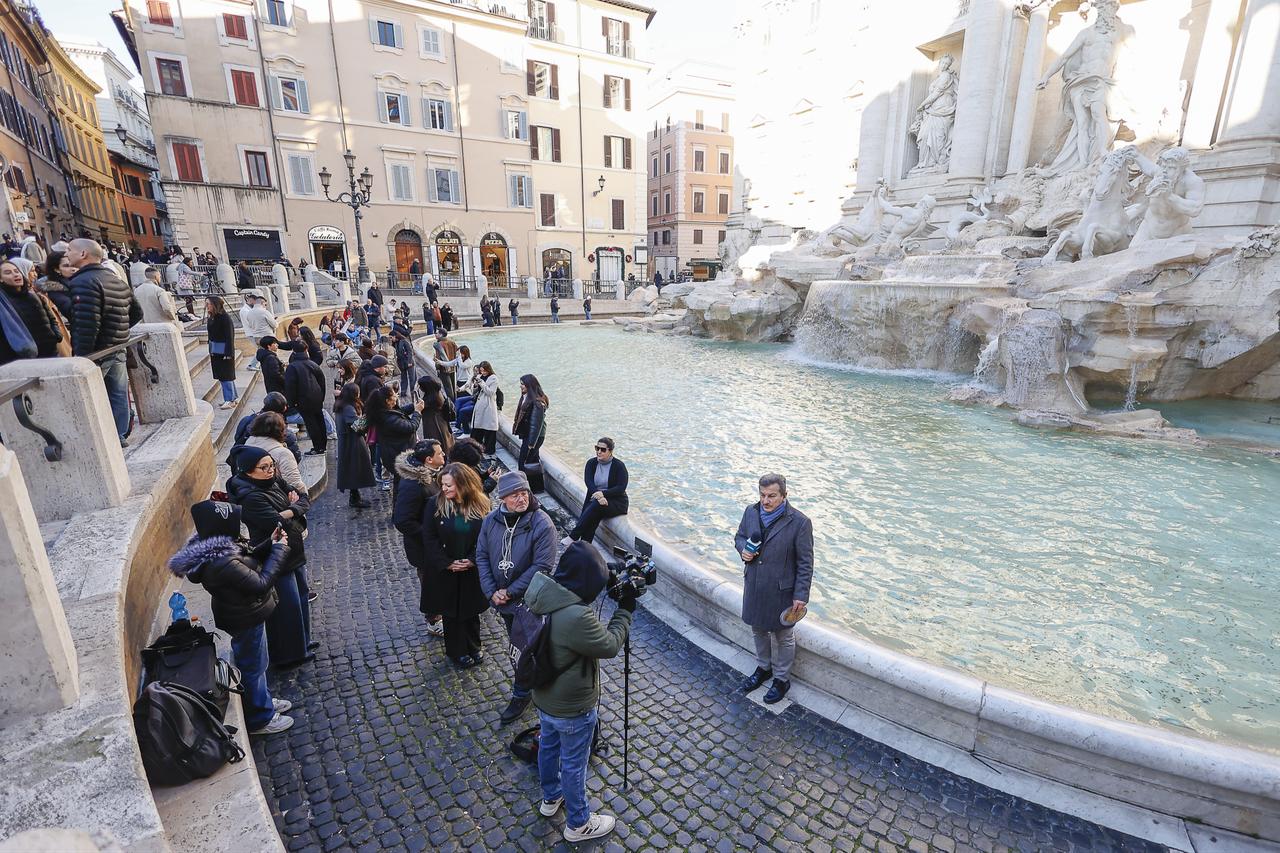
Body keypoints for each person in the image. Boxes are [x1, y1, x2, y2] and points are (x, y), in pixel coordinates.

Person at [525, 542, 634, 842]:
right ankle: (579, 824)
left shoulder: (543, 589)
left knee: (548, 748)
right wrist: (625, 610)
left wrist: (608, 573)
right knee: (574, 765)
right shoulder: (576, 617)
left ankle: (551, 798)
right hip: (572, 707)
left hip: (544, 696)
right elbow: (609, 645)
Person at [167, 500, 296, 735]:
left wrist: (270, 543)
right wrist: (279, 550)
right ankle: (260, 718)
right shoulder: (222, 562)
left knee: (257, 662)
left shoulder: (219, 550)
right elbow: (261, 583)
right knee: (253, 666)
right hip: (245, 616)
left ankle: (263, 700)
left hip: (242, 612)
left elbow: (247, 561)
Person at [475, 470, 557, 724]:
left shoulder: (542, 523)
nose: (521, 499)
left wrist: (509, 592)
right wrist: (491, 591)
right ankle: (534, 684)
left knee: (525, 647)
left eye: (524, 493)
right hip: (503, 602)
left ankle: (523, 693)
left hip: (530, 602)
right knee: (517, 644)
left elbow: (542, 566)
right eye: (514, 495)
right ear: (502, 499)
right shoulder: (491, 521)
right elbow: (481, 555)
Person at [226, 444, 313, 668]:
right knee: (288, 606)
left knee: (301, 597)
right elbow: (276, 521)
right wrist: (294, 508)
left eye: (271, 465)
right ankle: (289, 654)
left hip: (293, 548)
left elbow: (304, 498)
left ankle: (303, 643)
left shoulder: (273, 480)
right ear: (248, 471)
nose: (270, 470)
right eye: (263, 467)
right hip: (274, 553)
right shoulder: (250, 498)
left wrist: (292, 509)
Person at [734, 473, 814, 705]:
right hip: (754, 584)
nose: (765, 501)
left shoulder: (800, 522)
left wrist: (801, 595)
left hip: (782, 591)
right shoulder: (750, 512)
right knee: (758, 630)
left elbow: (805, 563)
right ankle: (764, 668)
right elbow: (739, 537)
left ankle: (781, 679)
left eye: (771, 496)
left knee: (784, 636)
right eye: (762, 495)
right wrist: (743, 550)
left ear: (784, 495)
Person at [65, 239, 142, 441]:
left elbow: (87, 324)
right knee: (118, 394)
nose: (67, 254)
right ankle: (119, 436)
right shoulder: (115, 279)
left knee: (93, 397)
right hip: (118, 347)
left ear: (83, 254)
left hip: (97, 352)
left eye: (69, 250)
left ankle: (106, 441)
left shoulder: (83, 282)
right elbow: (137, 313)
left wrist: (82, 357)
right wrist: (118, 331)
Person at [420, 462, 490, 666]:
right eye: (442, 484)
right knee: (451, 613)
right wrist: (447, 563)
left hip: (470, 569)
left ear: (463, 484)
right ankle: (457, 651)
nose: (444, 489)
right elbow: (429, 537)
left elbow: (487, 537)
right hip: (446, 570)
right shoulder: (434, 504)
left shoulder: (482, 504)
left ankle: (474, 646)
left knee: (471, 610)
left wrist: (472, 560)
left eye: (448, 485)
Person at [392, 439, 446, 639]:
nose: (444, 455)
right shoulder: (413, 484)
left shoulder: (431, 473)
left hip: (434, 543)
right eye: (440, 453)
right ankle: (433, 620)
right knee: (431, 584)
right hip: (424, 548)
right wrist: (430, 535)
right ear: (429, 460)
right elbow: (402, 520)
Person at [567, 437, 628, 544]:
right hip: (597, 500)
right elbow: (589, 482)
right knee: (594, 514)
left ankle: (574, 536)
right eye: (597, 448)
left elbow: (621, 487)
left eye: (603, 449)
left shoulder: (619, 466)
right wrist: (599, 496)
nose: (599, 452)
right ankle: (585, 546)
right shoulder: (591, 463)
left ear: (610, 451)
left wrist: (602, 494)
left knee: (595, 507)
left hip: (616, 502)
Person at [0, 258, 62, 361]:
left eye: (16, 271)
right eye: (8, 273)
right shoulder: (4, 305)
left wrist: (56, 335)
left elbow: (51, 318)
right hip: (25, 359)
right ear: (1, 279)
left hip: (51, 352)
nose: (15, 275)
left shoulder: (34, 296)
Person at [367, 384, 422, 496]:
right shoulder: (388, 418)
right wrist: (417, 412)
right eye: (393, 395)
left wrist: (413, 406)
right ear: (387, 401)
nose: (396, 396)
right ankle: (400, 503)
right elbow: (411, 427)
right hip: (398, 455)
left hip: (394, 453)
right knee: (402, 485)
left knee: (399, 482)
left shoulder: (383, 411)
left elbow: (400, 412)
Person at [334, 382, 375, 508]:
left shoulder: (341, 405)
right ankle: (354, 499)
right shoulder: (348, 408)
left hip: (348, 441)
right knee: (354, 469)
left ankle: (355, 497)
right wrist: (369, 416)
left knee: (352, 469)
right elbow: (358, 426)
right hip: (352, 443)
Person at [247, 412, 305, 493]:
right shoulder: (283, 453)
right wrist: (304, 497)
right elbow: (294, 484)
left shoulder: (248, 444)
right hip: (276, 496)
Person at [284, 347, 328, 455]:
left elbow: (290, 386)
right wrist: (321, 396)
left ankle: (318, 447)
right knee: (320, 421)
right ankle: (322, 445)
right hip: (316, 398)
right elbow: (322, 381)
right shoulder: (312, 364)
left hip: (303, 400)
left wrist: (291, 402)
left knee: (311, 424)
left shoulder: (292, 367)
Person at [234, 391, 301, 460]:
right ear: (284, 409)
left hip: (245, 459)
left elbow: (237, 437)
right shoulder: (286, 434)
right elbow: (296, 457)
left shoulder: (247, 420)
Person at [205, 297, 239, 410]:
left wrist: (228, 353)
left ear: (215, 305)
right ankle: (233, 397)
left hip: (224, 352)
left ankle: (230, 399)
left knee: (226, 375)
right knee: (223, 375)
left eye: (208, 304)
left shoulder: (224, 318)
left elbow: (230, 336)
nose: (206, 306)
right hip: (215, 351)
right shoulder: (212, 317)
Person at [512, 373, 548, 472]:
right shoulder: (526, 397)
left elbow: (535, 425)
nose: (520, 386)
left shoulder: (537, 403)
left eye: (523, 384)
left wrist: (531, 443)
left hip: (534, 437)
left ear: (529, 385)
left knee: (524, 462)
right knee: (531, 461)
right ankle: (534, 481)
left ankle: (524, 479)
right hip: (529, 435)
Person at [468, 361, 500, 455]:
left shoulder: (493, 378)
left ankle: (489, 449)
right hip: (479, 405)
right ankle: (475, 447)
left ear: (488, 369)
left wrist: (482, 383)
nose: (483, 373)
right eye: (481, 371)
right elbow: (475, 391)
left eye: (484, 371)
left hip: (488, 406)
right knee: (477, 428)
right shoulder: (480, 376)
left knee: (489, 429)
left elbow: (490, 392)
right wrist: (475, 385)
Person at [239, 293, 278, 372]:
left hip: (256, 335)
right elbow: (274, 324)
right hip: (265, 335)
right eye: (265, 304)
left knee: (262, 350)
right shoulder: (263, 312)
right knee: (265, 351)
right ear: (262, 303)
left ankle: (259, 365)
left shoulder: (250, 312)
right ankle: (253, 365)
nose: (265, 306)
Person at [416, 374, 454, 452]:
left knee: (436, 444)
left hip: (434, 425)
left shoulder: (431, 399)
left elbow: (418, 406)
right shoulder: (436, 393)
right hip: (441, 423)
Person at [37, 250, 75, 319]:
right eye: (66, 266)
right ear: (56, 269)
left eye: (73, 264)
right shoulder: (55, 289)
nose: (73, 268)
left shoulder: (78, 280)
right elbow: (71, 311)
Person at [433, 330, 458, 402]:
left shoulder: (438, 344)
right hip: (452, 368)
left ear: (441, 334)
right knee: (453, 387)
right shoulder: (452, 342)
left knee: (448, 388)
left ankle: (451, 404)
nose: (435, 334)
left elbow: (438, 358)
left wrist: (437, 368)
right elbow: (457, 353)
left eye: (436, 333)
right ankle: (455, 402)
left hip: (443, 369)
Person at [393, 330, 416, 400]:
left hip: (409, 362)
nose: (390, 339)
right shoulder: (395, 343)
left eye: (391, 337)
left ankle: (413, 392)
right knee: (403, 377)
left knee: (412, 378)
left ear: (395, 336)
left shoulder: (404, 341)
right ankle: (403, 391)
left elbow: (410, 351)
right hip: (401, 363)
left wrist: (409, 362)